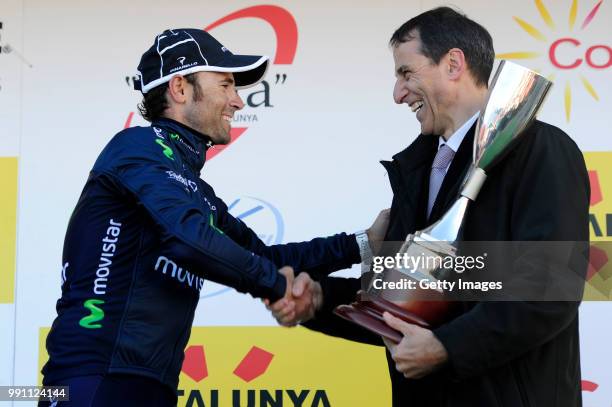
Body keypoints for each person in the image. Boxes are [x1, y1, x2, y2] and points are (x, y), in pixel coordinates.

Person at [40, 28, 388, 407]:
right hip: (92, 381)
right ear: (180, 88)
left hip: (145, 385)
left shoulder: (193, 189)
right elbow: (187, 238)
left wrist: (364, 244)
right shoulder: (136, 147)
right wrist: (275, 287)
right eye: (225, 85)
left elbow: (262, 258)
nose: (237, 101)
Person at [269, 7, 589, 407]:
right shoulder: (418, 169)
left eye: (406, 73)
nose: (398, 94)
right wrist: (318, 300)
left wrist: (448, 347)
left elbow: (548, 288)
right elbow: (406, 298)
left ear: (453, 63)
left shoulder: (540, 150)